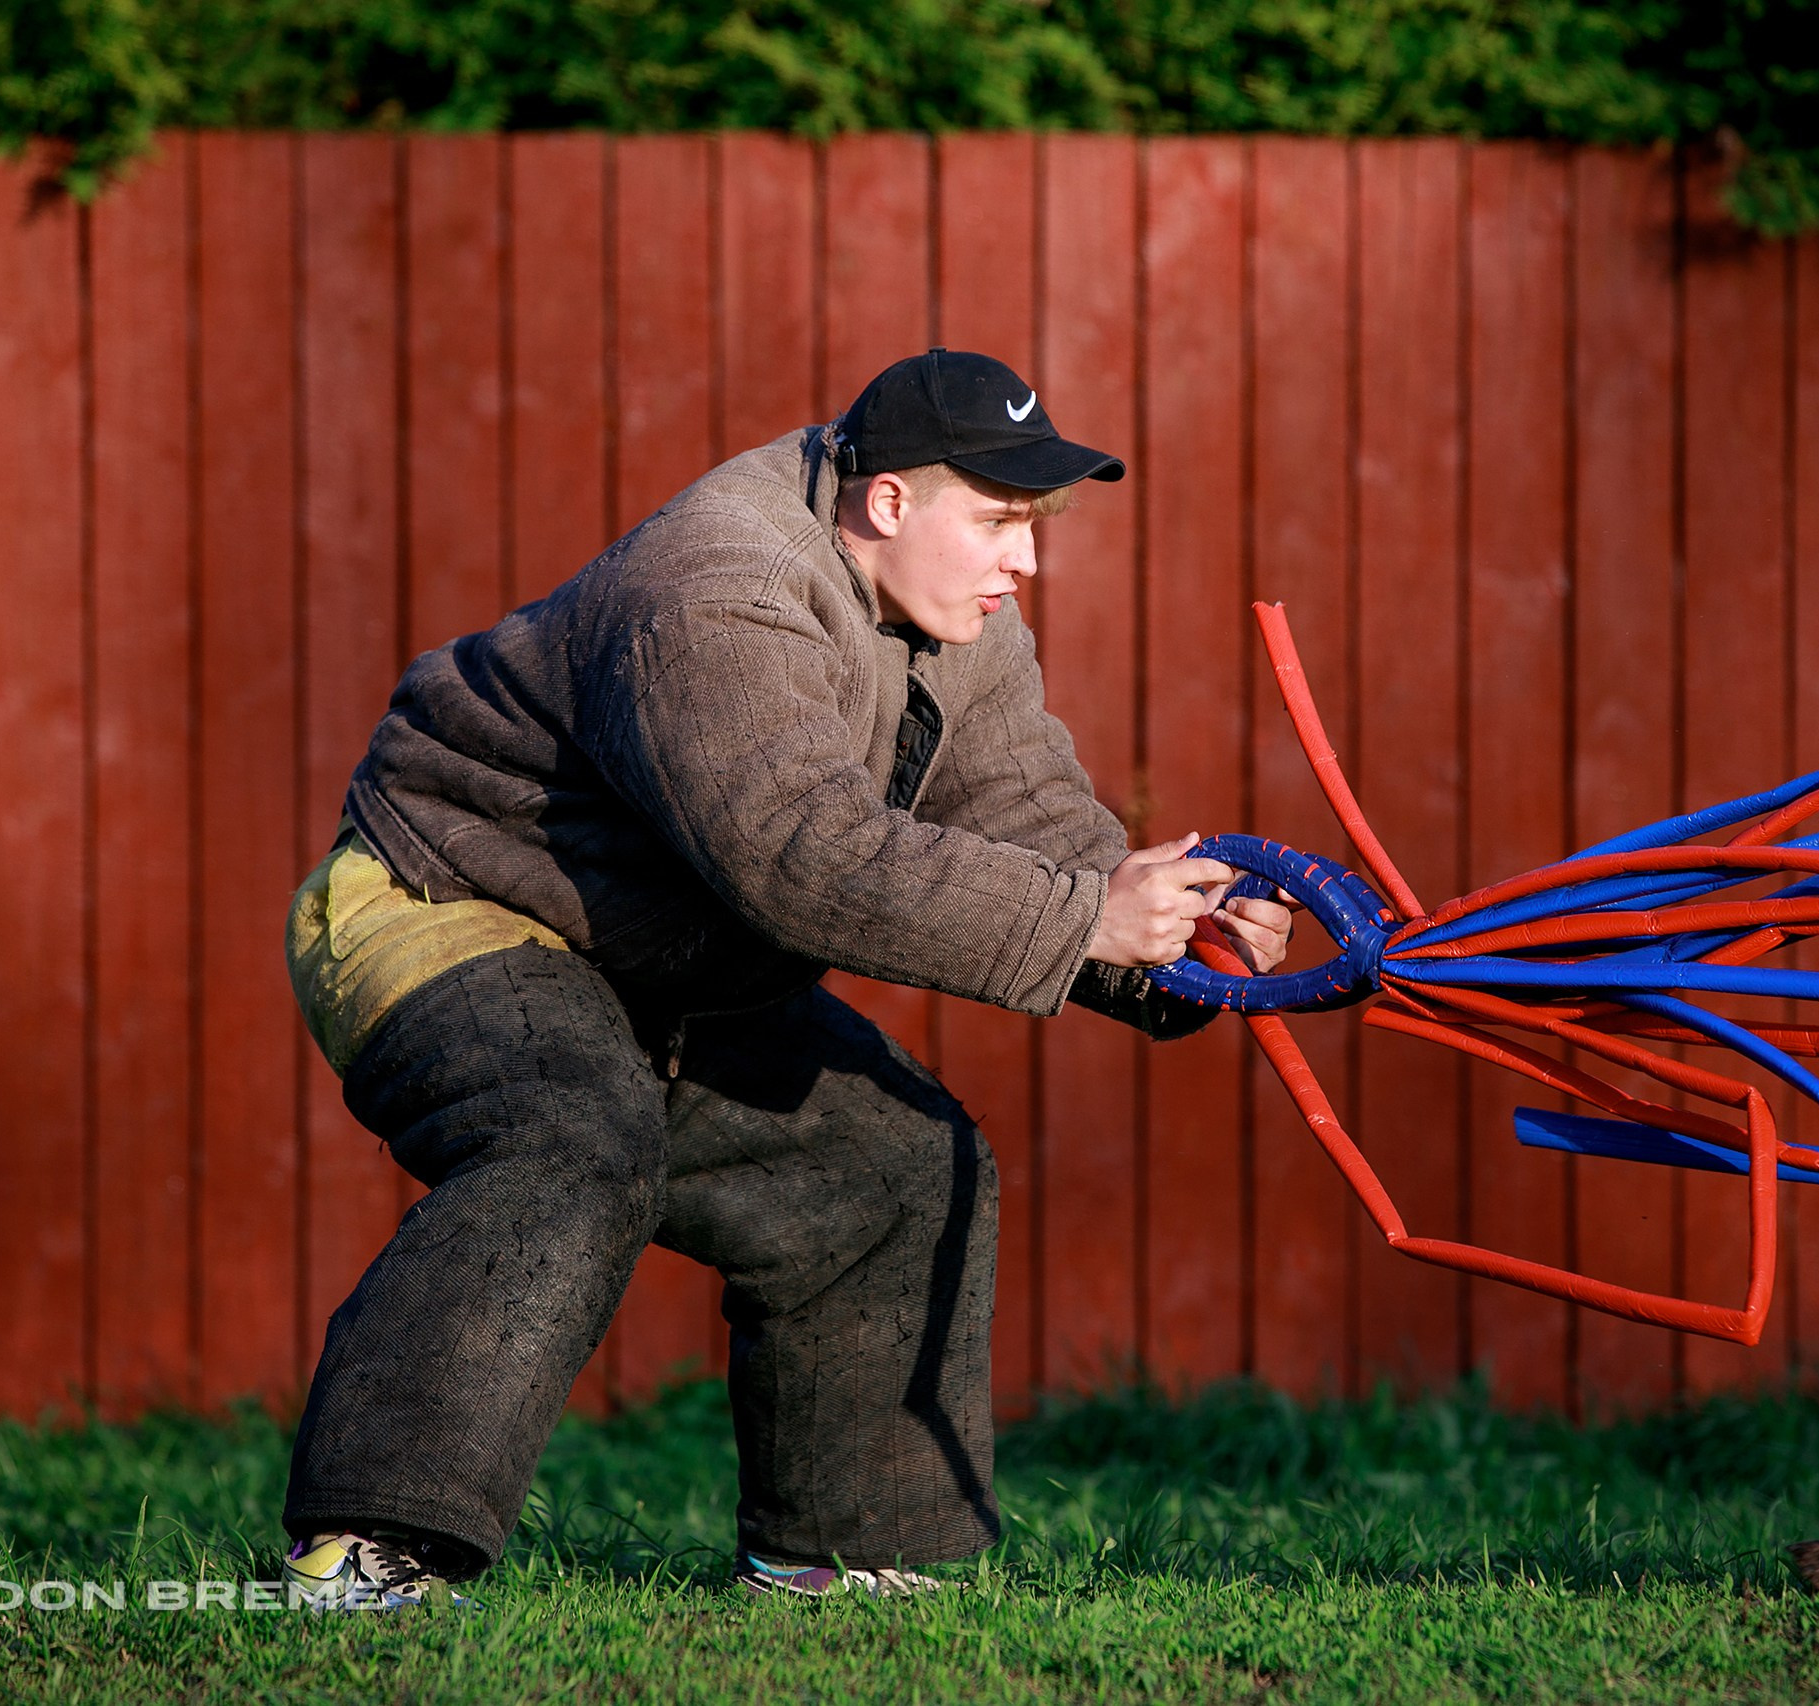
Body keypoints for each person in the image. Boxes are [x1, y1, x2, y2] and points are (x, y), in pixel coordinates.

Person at [277, 348, 1293, 1608]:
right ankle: (369, 1553)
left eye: (1028, 524)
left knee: (893, 1167)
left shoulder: (952, 609)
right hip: (445, 904)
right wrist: (1090, 918)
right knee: (569, 1130)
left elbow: (1022, 805)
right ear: (889, 502)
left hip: (657, 959)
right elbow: (797, 855)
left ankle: (848, 1560)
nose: (1023, 560)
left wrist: (1180, 948)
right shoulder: (718, 585)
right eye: (998, 522)